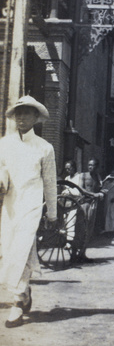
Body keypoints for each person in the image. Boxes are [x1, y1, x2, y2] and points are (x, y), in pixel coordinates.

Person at [0, 96, 57, 328]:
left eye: (27, 113)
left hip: (32, 205)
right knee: (10, 250)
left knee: (22, 249)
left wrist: (52, 213)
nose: (21, 118)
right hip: (11, 205)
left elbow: (50, 182)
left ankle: (16, 303)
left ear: (36, 117)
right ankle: (25, 293)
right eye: (18, 113)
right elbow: (2, 170)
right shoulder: (4, 143)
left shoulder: (44, 147)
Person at [77, 158, 103, 262]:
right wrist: (93, 194)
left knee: (89, 229)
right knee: (80, 228)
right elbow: (81, 188)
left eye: (92, 165)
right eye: (89, 165)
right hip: (84, 203)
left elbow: (101, 188)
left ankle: (83, 253)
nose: (90, 167)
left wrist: (102, 192)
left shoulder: (98, 177)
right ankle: (74, 253)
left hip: (93, 205)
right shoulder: (83, 175)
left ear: (96, 167)